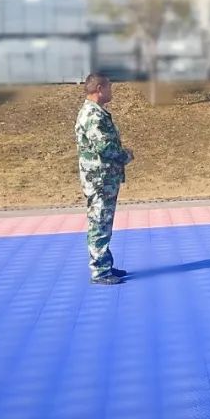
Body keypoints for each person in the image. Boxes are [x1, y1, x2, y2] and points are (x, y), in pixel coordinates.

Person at [74, 73, 133, 285]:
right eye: (109, 87)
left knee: (103, 221)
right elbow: (104, 146)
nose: (111, 91)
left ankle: (104, 263)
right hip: (99, 180)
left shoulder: (96, 112)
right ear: (99, 89)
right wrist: (125, 155)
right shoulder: (93, 115)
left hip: (103, 178)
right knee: (99, 222)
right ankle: (100, 271)